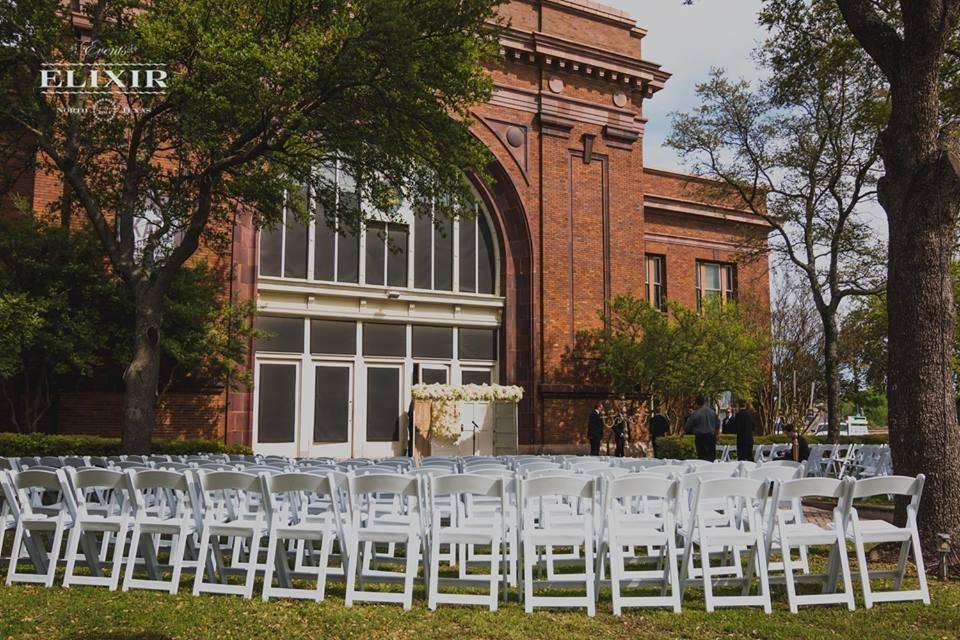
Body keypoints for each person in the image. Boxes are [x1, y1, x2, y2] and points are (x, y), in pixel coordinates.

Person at [684, 395, 720, 461]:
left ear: (696, 403)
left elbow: (688, 425)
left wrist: (684, 432)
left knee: (702, 458)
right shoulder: (712, 412)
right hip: (711, 437)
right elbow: (717, 423)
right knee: (711, 457)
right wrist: (717, 434)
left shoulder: (696, 413)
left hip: (701, 438)